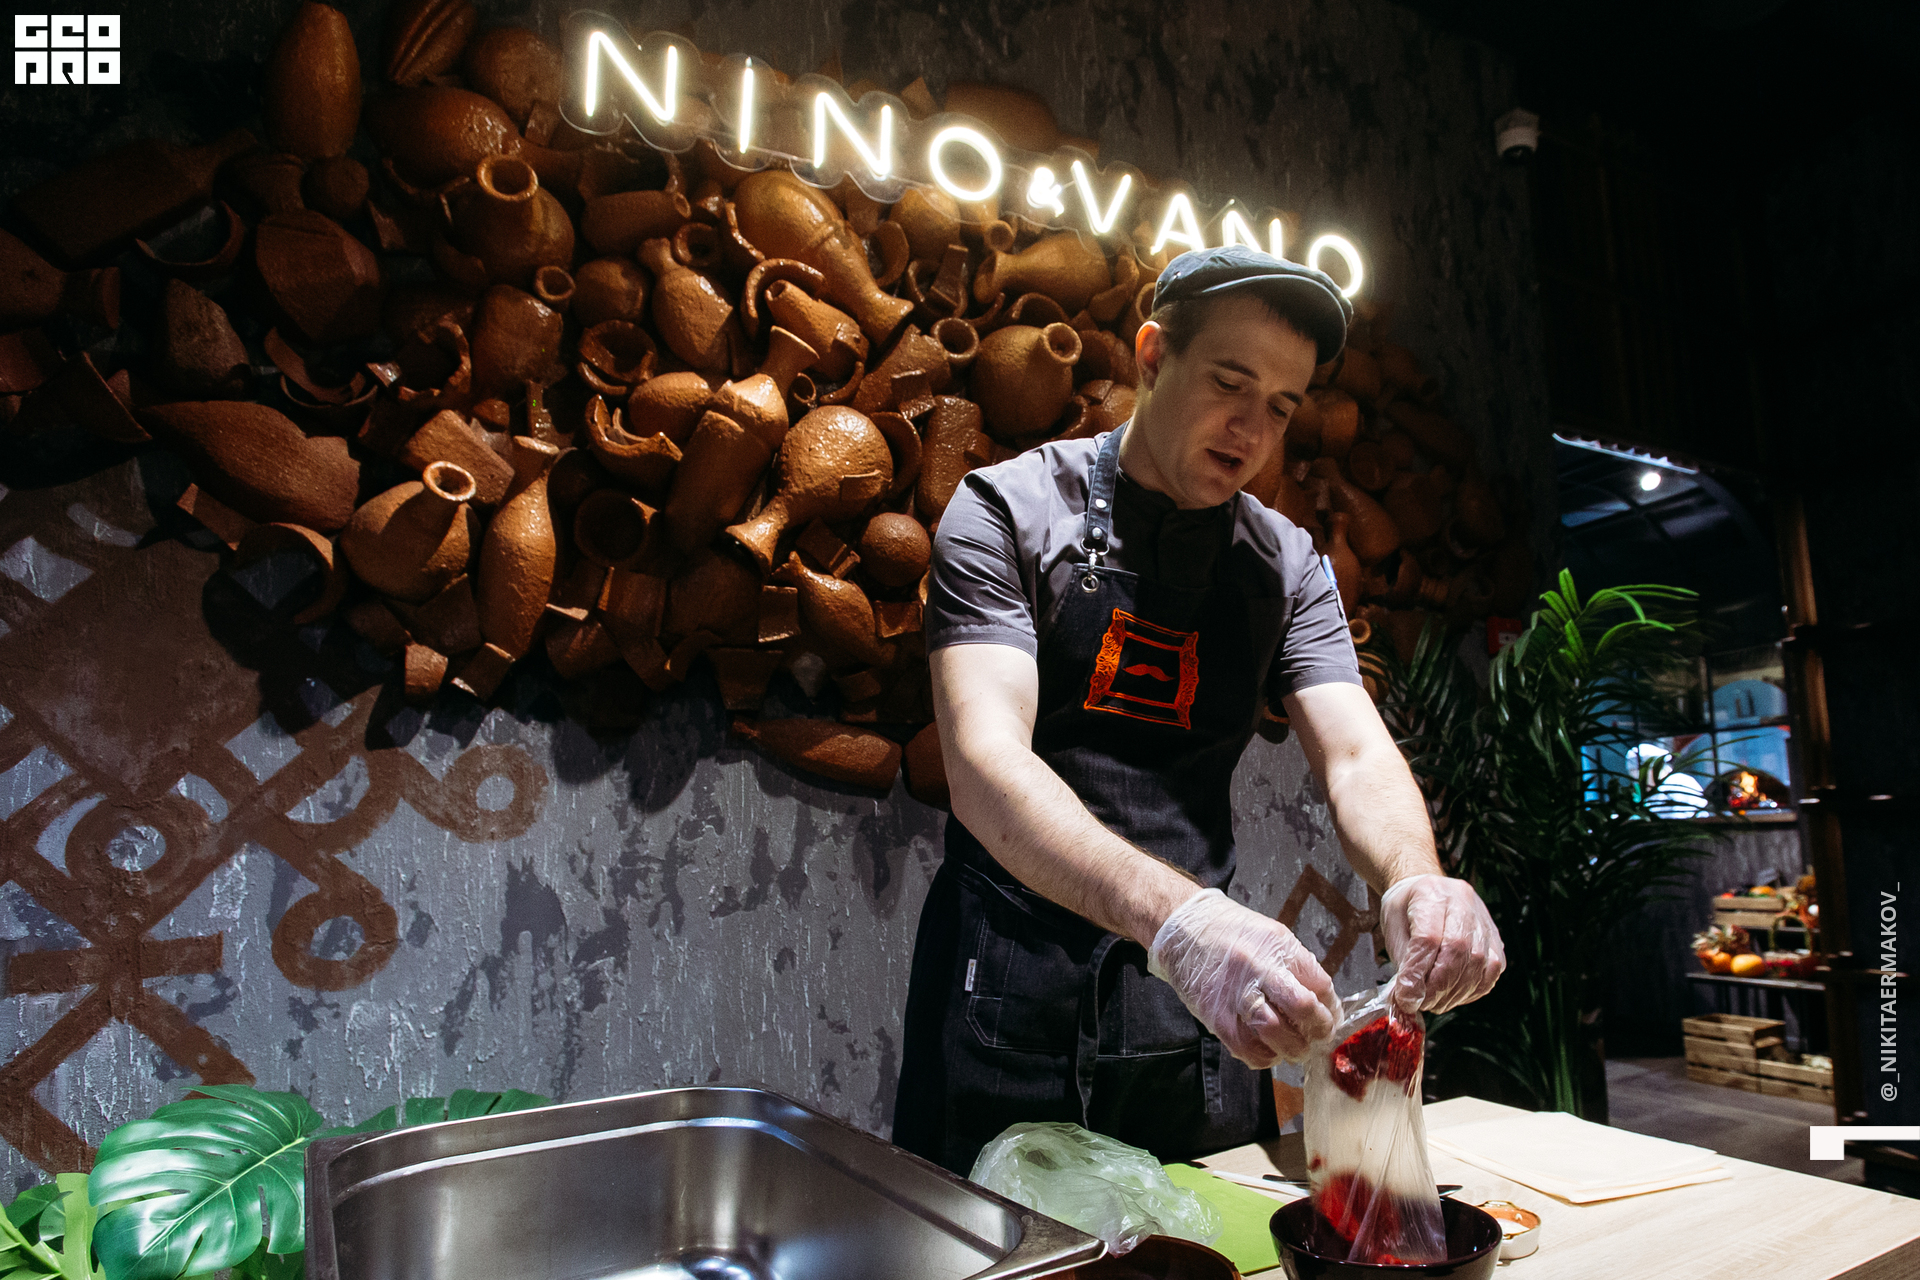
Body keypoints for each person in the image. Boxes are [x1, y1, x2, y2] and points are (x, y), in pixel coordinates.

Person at [890, 245, 1507, 1176]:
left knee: (1214, 1236)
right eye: (1230, 383)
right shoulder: (1007, 512)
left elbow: (1354, 753)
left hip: (1202, 1009)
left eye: (1282, 406)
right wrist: (1182, 924)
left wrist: (1417, 880)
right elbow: (985, 765)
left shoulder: (1286, 564)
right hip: (1010, 996)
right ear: (1152, 355)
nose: (1251, 429)